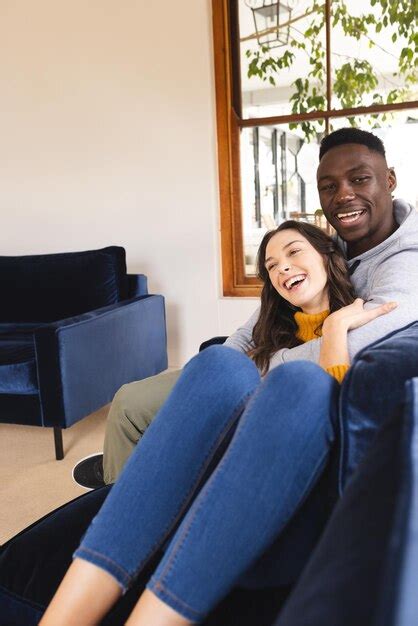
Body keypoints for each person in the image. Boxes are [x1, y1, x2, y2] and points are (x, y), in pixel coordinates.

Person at [40, 219, 397, 625]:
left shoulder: (357, 315)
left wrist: (333, 328)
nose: (283, 269)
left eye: (294, 252)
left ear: (328, 255)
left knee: (296, 381)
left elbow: (340, 398)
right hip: (232, 421)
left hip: (275, 442)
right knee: (213, 366)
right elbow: (231, 363)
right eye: (271, 266)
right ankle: (116, 506)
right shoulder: (272, 320)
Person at [101, 126, 418, 485]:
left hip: (286, 391)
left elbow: (358, 345)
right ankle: (128, 483)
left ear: (389, 180)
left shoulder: (406, 263)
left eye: (359, 179)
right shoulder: (336, 242)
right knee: (132, 403)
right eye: (329, 187)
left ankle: (120, 503)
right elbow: (258, 321)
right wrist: (216, 370)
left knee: (132, 410)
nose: (343, 195)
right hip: (259, 369)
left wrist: (262, 364)